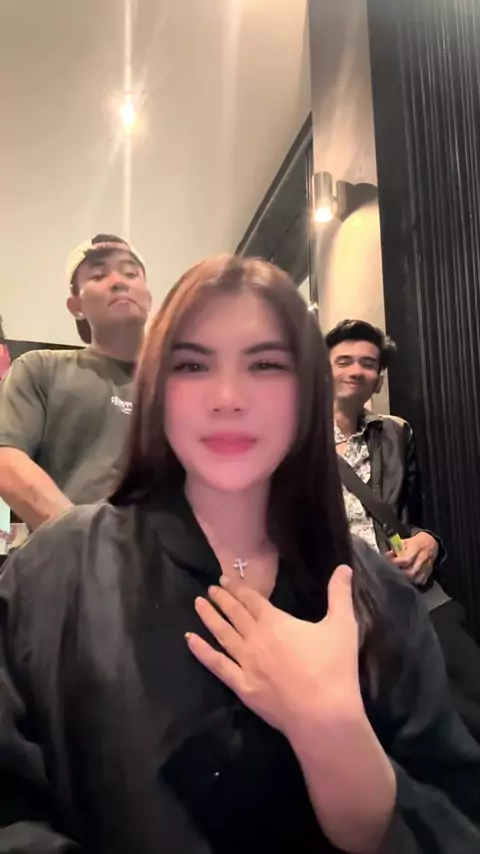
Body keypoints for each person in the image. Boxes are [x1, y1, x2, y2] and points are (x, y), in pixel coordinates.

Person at [0, 257, 479, 853]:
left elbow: (457, 815)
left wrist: (338, 740)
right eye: (193, 365)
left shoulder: (375, 591)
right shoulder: (56, 568)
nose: (228, 397)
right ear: (156, 390)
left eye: (266, 365)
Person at [326, 318, 480, 742]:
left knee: (469, 689)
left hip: (406, 585)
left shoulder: (395, 431)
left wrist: (429, 541)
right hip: (337, 593)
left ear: (378, 379)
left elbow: (416, 512)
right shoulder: (292, 439)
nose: (356, 370)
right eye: (343, 361)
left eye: (368, 363)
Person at [0, 234, 151, 538]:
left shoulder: (180, 383)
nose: (119, 281)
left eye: (131, 272)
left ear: (148, 296)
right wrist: (82, 541)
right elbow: (7, 458)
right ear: (76, 305)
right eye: (99, 275)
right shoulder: (40, 368)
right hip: (62, 557)